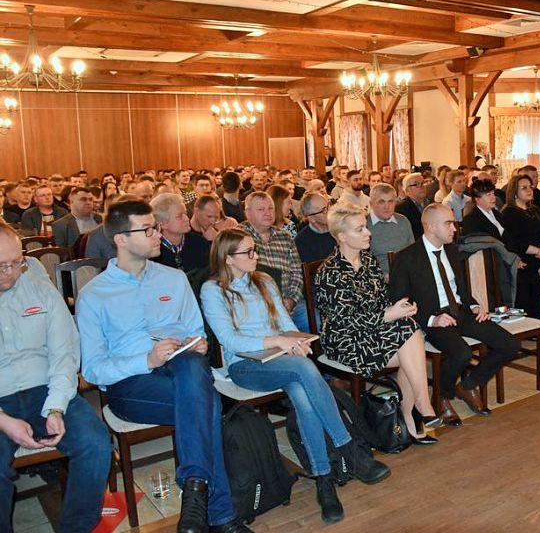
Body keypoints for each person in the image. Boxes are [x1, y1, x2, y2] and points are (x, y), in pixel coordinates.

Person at [76, 201, 251, 533]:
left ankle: (197, 491)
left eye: (156, 227)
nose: (157, 234)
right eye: (148, 230)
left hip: (183, 370)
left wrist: (198, 343)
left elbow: (195, 331)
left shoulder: (173, 279)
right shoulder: (94, 295)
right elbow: (94, 370)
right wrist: (147, 360)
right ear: (121, 239)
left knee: (192, 369)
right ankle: (220, 515)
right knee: (207, 404)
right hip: (131, 384)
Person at [201, 229, 390, 524]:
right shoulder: (213, 290)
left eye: (255, 249)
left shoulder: (263, 281)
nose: (256, 256)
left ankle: (324, 480)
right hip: (244, 366)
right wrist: (278, 341)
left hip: (281, 360)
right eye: (249, 252)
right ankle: (349, 449)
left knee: (301, 391)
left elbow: (286, 323)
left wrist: (296, 340)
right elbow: (230, 340)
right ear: (228, 259)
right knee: (303, 369)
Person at [0, 223, 111, 533]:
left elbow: (64, 352)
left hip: (46, 388)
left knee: (95, 442)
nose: (11, 273)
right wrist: (4, 421)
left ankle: (75, 528)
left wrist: (56, 407)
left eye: (16, 263)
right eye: (1, 266)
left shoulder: (37, 285)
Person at [314, 204, 441, 443]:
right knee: (411, 345)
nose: (368, 233)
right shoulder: (330, 272)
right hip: (345, 340)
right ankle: (417, 409)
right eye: (360, 229)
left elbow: (382, 302)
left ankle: (414, 411)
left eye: (366, 227)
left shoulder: (369, 261)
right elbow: (345, 322)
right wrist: (388, 315)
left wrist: (399, 309)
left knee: (408, 332)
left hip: (375, 331)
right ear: (341, 236)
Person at [390, 204, 520, 427]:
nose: (454, 228)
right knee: (462, 353)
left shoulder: (451, 250)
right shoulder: (407, 258)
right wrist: (432, 320)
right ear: (430, 226)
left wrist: (474, 306)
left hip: (459, 312)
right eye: (448, 223)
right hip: (432, 320)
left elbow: (460, 288)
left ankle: (468, 385)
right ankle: (442, 396)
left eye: (453, 222)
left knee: (510, 344)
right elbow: (399, 302)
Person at [242, 192, 312, 332]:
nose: (267, 213)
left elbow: (297, 272)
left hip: (289, 301)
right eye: (261, 209)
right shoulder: (238, 237)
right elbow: (237, 280)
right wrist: (273, 307)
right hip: (255, 307)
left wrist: (291, 300)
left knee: (315, 322)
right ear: (248, 213)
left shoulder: (285, 237)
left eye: (271, 208)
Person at [500, 174, 540, 319]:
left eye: (530, 187)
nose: (529, 190)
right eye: (524, 188)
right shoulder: (509, 212)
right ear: (514, 192)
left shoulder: (533, 209)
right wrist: (538, 251)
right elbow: (514, 242)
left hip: (537, 255)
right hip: (522, 257)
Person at [150, 193, 212, 274]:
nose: (186, 219)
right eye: (179, 216)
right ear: (162, 224)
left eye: (185, 213)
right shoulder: (153, 253)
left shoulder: (200, 243)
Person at [367, 183, 414, 276]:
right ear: (371, 204)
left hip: (406, 275)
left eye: (390, 201)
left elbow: (413, 253)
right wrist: (381, 276)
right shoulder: (364, 225)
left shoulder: (403, 221)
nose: (387, 206)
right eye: (381, 202)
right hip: (377, 278)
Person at [295, 192, 336, 262]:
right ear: (312, 219)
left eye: (328, 206)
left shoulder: (339, 227)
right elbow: (313, 268)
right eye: (324, 210)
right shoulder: (301, 242)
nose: (330, 211)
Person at [396, 173, 427, 239]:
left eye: (423, 183)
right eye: (416, 184)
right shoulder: (401, 209)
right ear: (407, 190)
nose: (421, 186)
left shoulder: (432, 204)